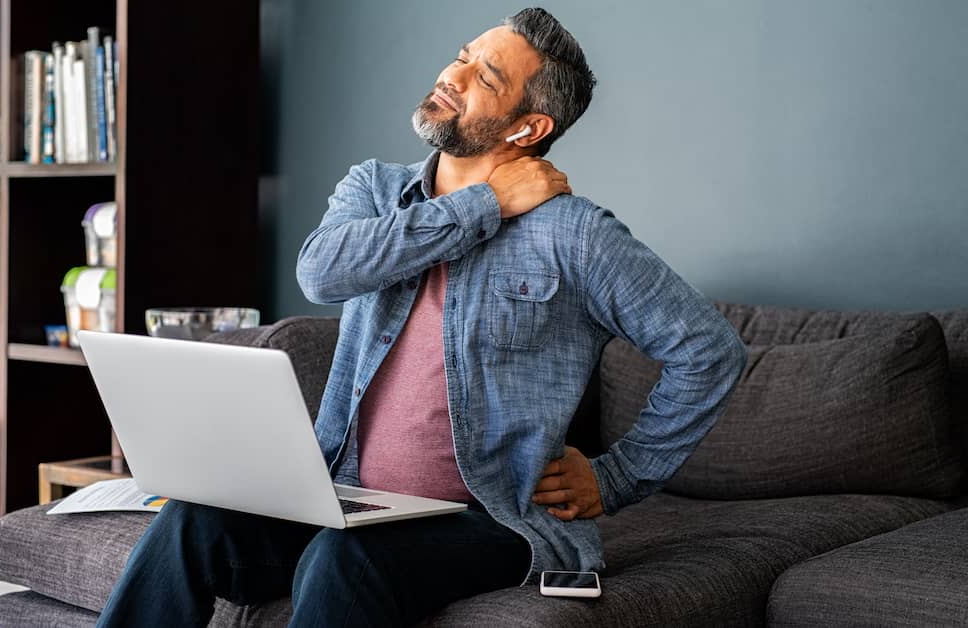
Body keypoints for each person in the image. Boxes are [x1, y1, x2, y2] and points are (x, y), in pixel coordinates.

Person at [97, 7, 745, 627]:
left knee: (343, 557)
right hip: (343, 498)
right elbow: (323, 272)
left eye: (485, 77)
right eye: (461, 58)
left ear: (527, 129)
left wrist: (619, 475)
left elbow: (709, 351)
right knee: (192, 518)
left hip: (491, 519)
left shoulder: (573, 235)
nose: (452, 76)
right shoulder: (374, 190)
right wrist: (484, 205)